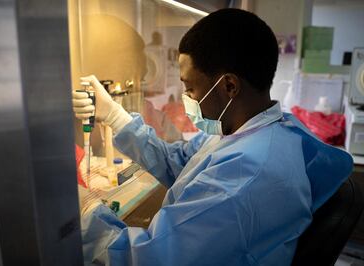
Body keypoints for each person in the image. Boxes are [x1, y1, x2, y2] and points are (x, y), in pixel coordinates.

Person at [73, 8, 353, 266]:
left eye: (190, 88)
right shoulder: (258, 131)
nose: (186, 98)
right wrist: (115, 116)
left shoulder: (245, 177)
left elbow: (149, 258)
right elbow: (183, 166)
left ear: (229, 85)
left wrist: (86, 213)